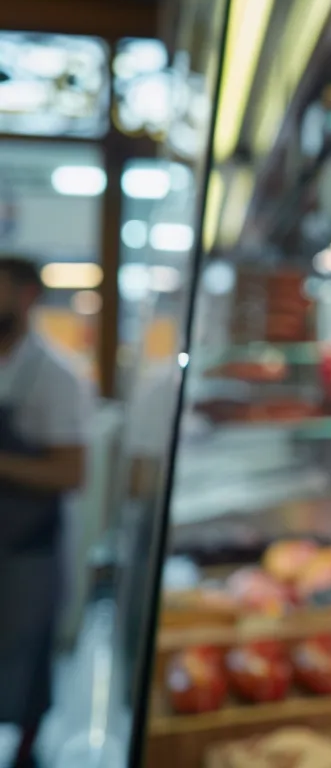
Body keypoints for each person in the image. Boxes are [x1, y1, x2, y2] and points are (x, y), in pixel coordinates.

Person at [0, 256, 93, 767]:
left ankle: (29, 753)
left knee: (27, 658)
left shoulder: (56, 376)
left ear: (26, 296)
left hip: (28, 546)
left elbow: (70, 474)